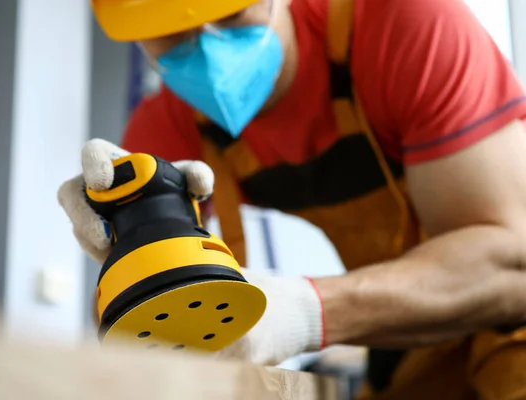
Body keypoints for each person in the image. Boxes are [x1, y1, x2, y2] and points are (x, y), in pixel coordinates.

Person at [58, 0, 526, 398]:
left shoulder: (404, 26)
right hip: (410, 333)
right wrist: (126, 241)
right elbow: (135, 336)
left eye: (232, 14)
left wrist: (299, 311)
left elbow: (510, 267)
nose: (206, 46)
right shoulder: (169, 128)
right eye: (168, 34)